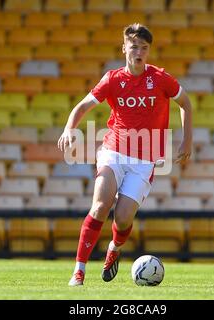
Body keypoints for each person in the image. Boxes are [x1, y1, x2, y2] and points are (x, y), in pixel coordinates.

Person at [58, 23, 193, 286]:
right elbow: (83, 105)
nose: (139, 52)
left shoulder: (161, 78)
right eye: (134, 47)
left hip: (144, 162)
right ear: (124, 49)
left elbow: (185, 102)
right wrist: (68, 128)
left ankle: (114, 249)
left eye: (144, 47)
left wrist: (187, 140)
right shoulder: (112, 79)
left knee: (122, 218)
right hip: (113, 152)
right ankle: (79, 270)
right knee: (99, 206)